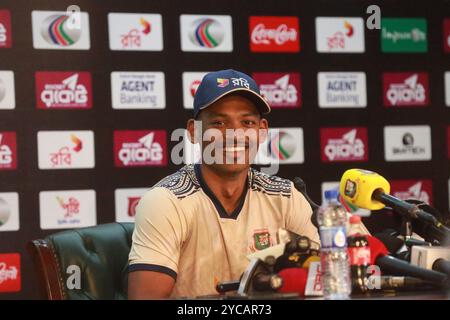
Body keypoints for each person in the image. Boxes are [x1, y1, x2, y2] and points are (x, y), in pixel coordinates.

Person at [127, 69, 320, 299]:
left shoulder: (285, 196)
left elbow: (328, 277)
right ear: (193, 131)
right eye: (219, 123)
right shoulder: (167, 201)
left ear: (262, 131)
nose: (234, 134)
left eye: (247, 122)